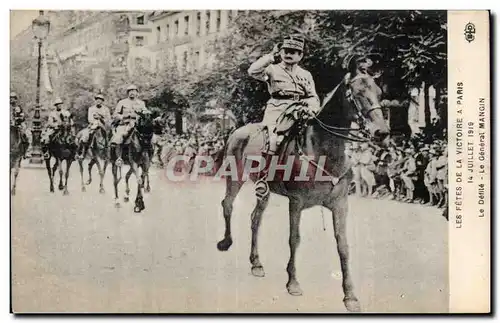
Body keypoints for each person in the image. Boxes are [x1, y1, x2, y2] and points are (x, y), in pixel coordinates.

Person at [247, 34, 320, 198]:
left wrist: (312, 108)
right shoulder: (272, 69)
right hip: (277, 110)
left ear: (300, 56)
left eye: (294, 52)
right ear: (280, 52)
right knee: (274, 139)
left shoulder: (306, 75)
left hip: (301, 109)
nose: (289, 54)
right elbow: (252, 71)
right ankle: (263, 178)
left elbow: (312, 96)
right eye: (286, 51)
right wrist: (270, 57)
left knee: (315, 136)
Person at [110, 85, 150, 165]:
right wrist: (122, 117)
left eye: (134, 91)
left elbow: (146, 112)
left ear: (137, 93)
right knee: (119, 137)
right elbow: (115, 114)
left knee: (149, 137)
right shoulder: (122, 102)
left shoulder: (141, 103)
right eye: (130, 91)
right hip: (125, 124)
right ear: (127, 93)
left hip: (138, 125)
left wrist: (146, 113)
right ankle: (119, 158)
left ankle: (148, 156)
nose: (132, 93)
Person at [77, 93, 111, 158]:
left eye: (100, 100)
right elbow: (89, 119)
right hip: (93, 125)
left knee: (109, 136)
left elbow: (108, 119)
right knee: (85, 135)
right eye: (97, 99)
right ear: (95, 100)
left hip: (103, 125)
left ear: (102, 101)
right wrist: (95, 122)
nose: (99, 101)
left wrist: (101, 118)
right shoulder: (91, 108)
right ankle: (83, 152)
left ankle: (107, 151)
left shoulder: (106, 109)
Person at [10, 92, 32, 158]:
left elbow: (22, 116)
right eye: (10, 98)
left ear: (16, 100)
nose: (11, 100)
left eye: (13, 98)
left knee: (27, 135)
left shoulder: (18, 107)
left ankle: (26, 151)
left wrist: (18, 119)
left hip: (18, 124)